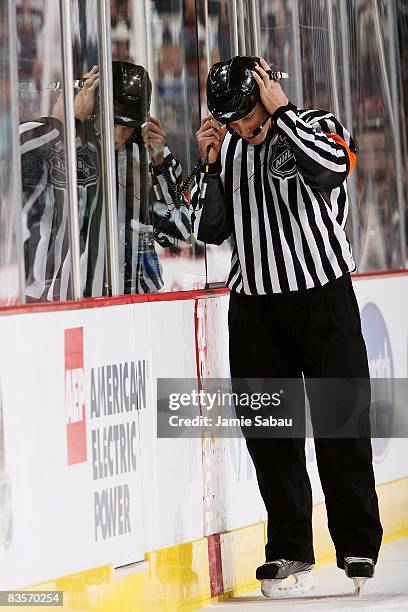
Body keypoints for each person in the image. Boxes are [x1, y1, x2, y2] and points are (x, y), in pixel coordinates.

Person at [192, 56, 383, 597]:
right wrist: (208, 164)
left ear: (267, 92)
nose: (242, 129)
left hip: (323, 297)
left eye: (249, 115)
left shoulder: (317, 126)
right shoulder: (227, 149)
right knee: (271, 437)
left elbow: (333, 169)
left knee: (340, 422)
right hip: (255, 308)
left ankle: (357, 543)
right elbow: (207, 231)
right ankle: (288, 550)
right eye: (230, 120)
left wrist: (283, 112)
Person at [20, 61, 190, 300]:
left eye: (128, 126)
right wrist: (62, 122)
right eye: (112, 122)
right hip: (65, 299)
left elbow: (180, 234)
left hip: (137, 301)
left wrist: (161, 163)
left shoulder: (150, 153)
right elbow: (16, 167)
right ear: (93, 106)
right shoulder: (64, 139)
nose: (119, 135)